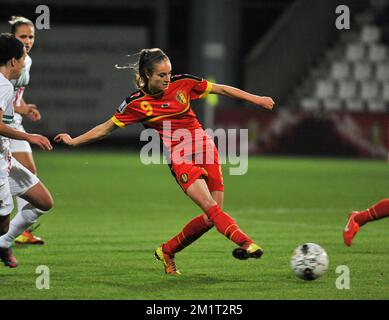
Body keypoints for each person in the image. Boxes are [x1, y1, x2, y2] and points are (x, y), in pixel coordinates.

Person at [54, 48, 275, 275]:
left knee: (212, 217)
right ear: (147, 74)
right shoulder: (136, 103)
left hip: (205, 149)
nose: (168, 79)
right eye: (161, 75)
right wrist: (74, 141)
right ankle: (246, 243)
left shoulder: (184, 83)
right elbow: (105, 129)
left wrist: (256, 99)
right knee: (210, 207)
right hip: (179, 157)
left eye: (169, 73)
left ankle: (167, 250)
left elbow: (222, 89)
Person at [0, 33, 53, 268]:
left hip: (6, 158)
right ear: (13, 61)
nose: (25, 62)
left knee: (43, 201)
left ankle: (4, 243)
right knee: (1, 223)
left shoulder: (7, 85)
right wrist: (28, 136)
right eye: (22, 58)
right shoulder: (2, 86)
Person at [9, 16, 44, 245]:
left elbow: (14, 94)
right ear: (13, 37)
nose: (28, 40)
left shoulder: (26, 60)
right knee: (20, 174)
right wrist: (20, 108)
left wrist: (24, 106)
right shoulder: (6, 61)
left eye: (31, 36)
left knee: (29, 171)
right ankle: (14, 229)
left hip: (14, 120)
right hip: (5, 121)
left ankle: (22, 230)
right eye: (23, 36)